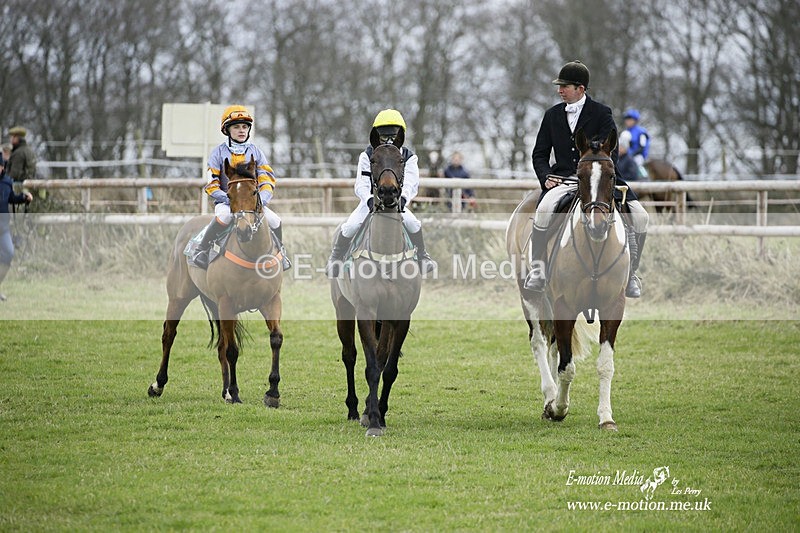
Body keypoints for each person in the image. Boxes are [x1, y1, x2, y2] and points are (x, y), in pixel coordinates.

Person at [525, 60, 649, 298]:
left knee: (641, 217)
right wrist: (545, 177)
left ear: (580, 89)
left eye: (565, 86)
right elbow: (539, 153)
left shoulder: (602, 113)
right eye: (559, 86)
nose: (560, 90)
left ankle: (631, 274)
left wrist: (596, 170)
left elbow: (611, 151)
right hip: (563, 180)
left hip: (600, 180)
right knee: (543, 211)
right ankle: (538, 271)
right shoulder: (551, 115)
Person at [327, 109, 436, 277]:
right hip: (370, 203)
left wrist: (404, 199)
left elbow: (411, 183)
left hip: (396, 202)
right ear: (376, 135)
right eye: (384, 136)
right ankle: (336, 258)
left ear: (401, 135)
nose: (389, 140)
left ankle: (422, 256)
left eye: (393, 136)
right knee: (350, 226)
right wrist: (369, 200)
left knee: (414, 223)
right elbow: (361, 184)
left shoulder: (409, 157)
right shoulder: (367, 155)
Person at [192, 105, 290, 270]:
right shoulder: (218, 153)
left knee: (275, 220)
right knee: (224, 217)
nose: (241, 130)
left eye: (244, 127)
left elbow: (266, 179)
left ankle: (281, 252)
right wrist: (227, 198)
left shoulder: (256, 152)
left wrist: (262, 199)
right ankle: (202, 250)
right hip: (227, 203)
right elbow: (211, 183)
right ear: (227, 130)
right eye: (236, 127)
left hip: (253, 204)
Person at [0, 152, 33, 301]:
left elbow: (11, 197)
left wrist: (23, 198)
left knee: (9, 253)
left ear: (2, 167)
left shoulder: (7, 182)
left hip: (3, 228)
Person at [6, 127, 37, 194]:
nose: (11, 139)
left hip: (19, 189)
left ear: (17, 138)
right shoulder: (30, 150)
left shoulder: (18, 153)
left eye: (13, 137)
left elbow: (14, 174)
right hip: (29, 187)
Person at [623, 108, 650, 177]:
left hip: (638, 156)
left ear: (635, 121)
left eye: (630, 119)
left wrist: (631, 155)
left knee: (636, 162)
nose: (627, 121)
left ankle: (644, 176)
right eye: (627, 119)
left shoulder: (641, 132)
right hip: (627, 155)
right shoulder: (626, 132)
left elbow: (642, 147)